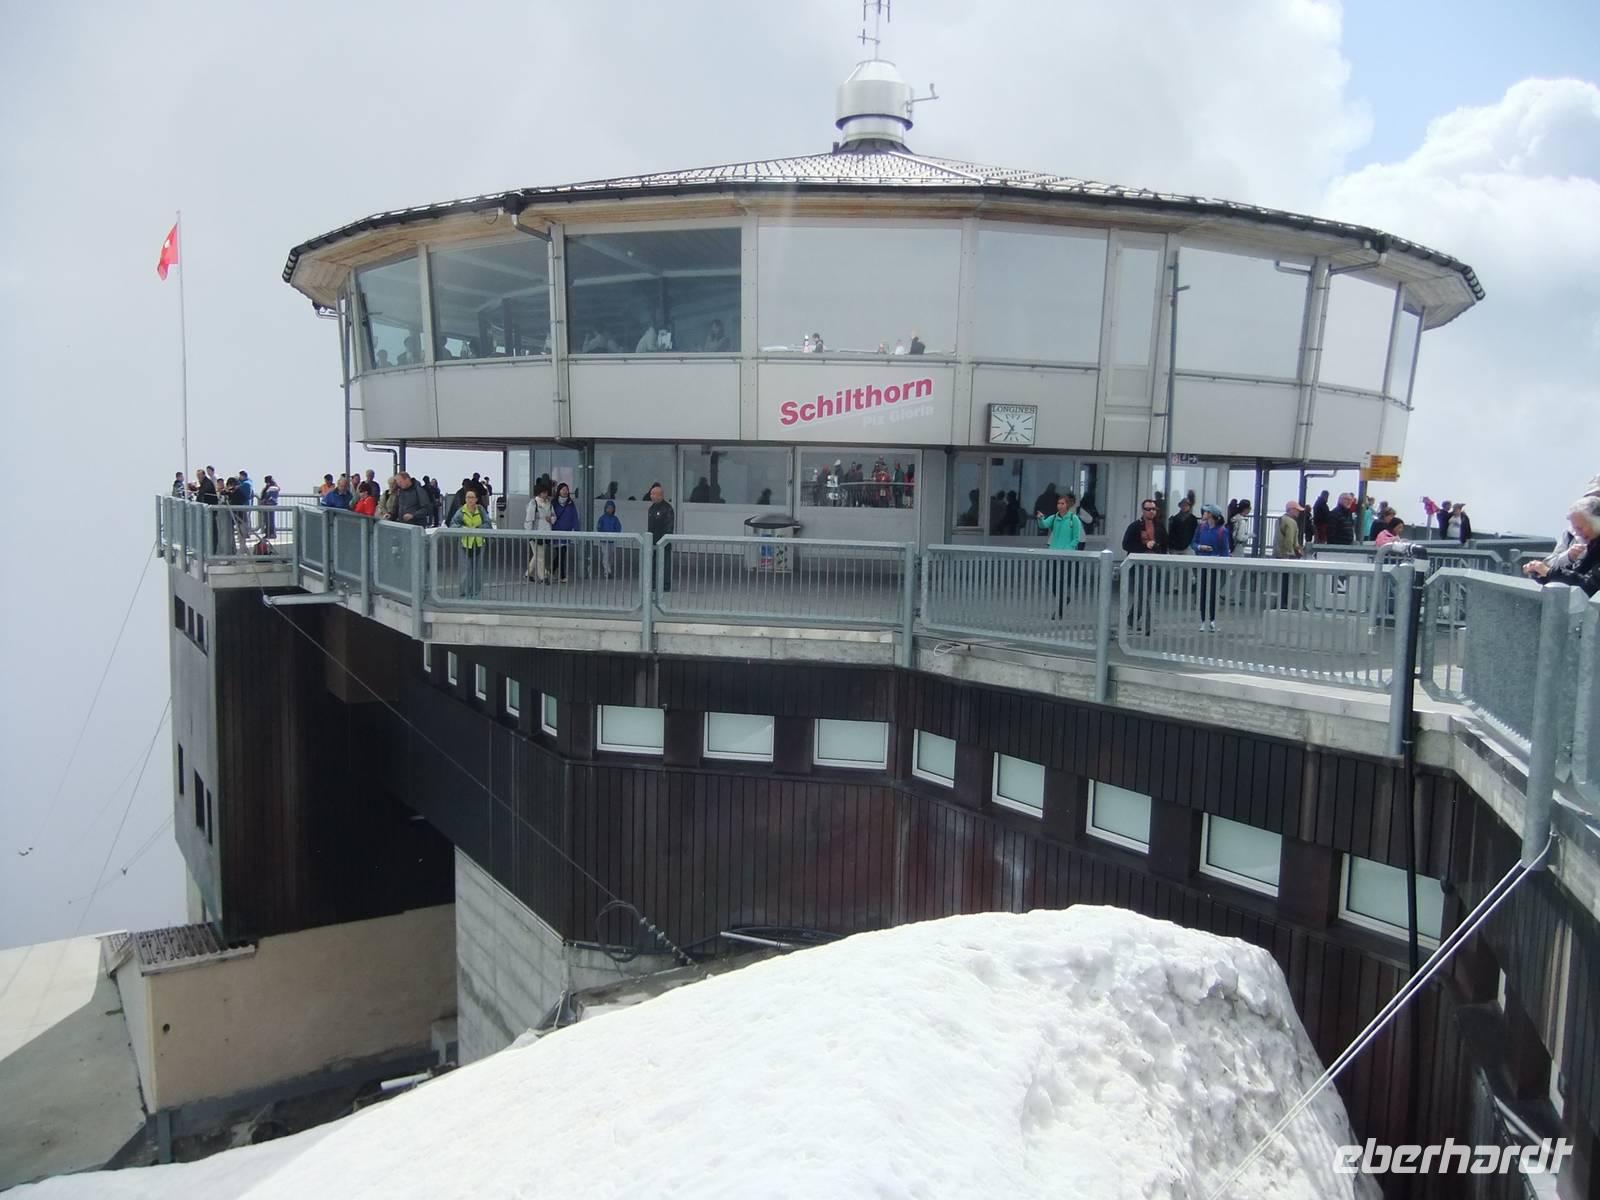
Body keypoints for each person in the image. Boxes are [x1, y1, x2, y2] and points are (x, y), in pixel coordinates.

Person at [1524, 497, 1600, 596]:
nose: (1577, 533)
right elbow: (1577, 574)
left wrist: (1549, 572)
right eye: (1574, 528)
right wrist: (1539, 573)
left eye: (1580, 528)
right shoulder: (1591, 543)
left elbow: (1590, 586)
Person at [1121, 498, 1168, 634]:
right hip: (1138, 565)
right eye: (1148, 509)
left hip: (1154, 565)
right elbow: (1126, 544)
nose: (1151, 512)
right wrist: (1144, 546)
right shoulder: (1135, 526)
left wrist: (1161, 556)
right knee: (1143, 595)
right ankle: (1147, 626)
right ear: (1143, 510)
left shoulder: (1160, 526)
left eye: (1154, 509)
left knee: (1144, 595)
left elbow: (1165, 544)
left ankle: (1130, 619)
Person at [1036, 493, 1085, 618]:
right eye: (1058, 503)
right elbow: (1044, 525)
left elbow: (1076, 538)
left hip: (1066, 554)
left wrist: (1068, 549)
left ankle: (1060, 608)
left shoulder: (1073, 519)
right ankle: (1063, 599)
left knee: (1061, 580)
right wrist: (1040, 518)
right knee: (1051, 580)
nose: (1060, 506)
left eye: (1062, 503)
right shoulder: (1054, 518)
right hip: (1053, 552)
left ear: (1067, 505)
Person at [1193, 505, 1231, 630]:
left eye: (1207, 512)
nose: (1204, 513)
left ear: (1212, 515)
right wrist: (1200, 547)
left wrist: (1225, 565)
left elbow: (1225, 550)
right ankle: (1203, 620)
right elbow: (1193, 543)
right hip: (1202, 563)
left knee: (1213, 592)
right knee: (1203, 591)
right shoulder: (1201, 527)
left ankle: (1212, 620)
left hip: (1215, 565)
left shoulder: (1222, 531)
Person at [449, 488, 491, 598]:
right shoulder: (461, 511)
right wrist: (463, 528)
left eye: (472, 497)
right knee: (466, 570)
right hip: (465, 544)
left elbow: (488, 524)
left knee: (478, 570)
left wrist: (478, 529)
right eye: (468, 497)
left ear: (476, 499)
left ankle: (476, 592)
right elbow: (453, 524)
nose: (470, 500)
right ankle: (464, 592)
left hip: (479, 543)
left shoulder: (481, 511)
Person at [1274, 501, 1305, 608]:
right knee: (1286, 580)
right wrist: (1293, 553)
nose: (1299, 512)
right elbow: (1290, 540)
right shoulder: (1291, 522)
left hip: (1278, 554)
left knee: (1282, 580)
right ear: (1291, 509)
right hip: (1287, 556)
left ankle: (1280, 601)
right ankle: (1284, 603)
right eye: (1297, 510)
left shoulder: (1280, 519)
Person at [647, 482, 675, 592]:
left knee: (665, 564)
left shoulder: (667, 509)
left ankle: (665, 585)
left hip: (664, 543)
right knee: (653, 563)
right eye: (651, 494)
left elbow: (669, 527)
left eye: (654, 494)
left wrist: (664, 541)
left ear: (661, 495)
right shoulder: (651, 509)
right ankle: (653, 583)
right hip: (652, 542)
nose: (652, 496)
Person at [550, 482, 580, 582]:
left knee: (562, 554)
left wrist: (576, 528)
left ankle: (555, 572)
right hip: (556, 531)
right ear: (559, 491)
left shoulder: (571, 504)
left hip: (566, 532)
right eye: (563, 489)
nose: (565, 491)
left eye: (567, 489)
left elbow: (574, 517)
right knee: (560, 554)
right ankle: (559, 574)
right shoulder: (553, 503)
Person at [523, 481, 553, 582]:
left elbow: (554, 515)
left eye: (546, 492)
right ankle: (542, 576)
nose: (546, 494)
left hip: (547, 530)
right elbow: (529, 519)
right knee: (540, 555)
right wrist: (529, 533)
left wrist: (552, 519)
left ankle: (529, 573)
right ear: (539, 493)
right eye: (544, 492)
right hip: (536, 531)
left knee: (538, 554)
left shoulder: (549, 503)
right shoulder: (533, 503)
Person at [597, 499, 623, 579]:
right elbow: (599, 527)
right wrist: (603, 534)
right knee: (605, 555)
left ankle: (609, 569)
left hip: (612, 541)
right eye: (608, 508)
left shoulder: (615, 519)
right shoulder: (602, 518)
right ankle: (607, 571)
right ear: (605, 508)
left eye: (611, 508)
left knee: (611, 556)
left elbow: (618, 527)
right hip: (604, 541)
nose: (610, 509)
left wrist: (615, 534)